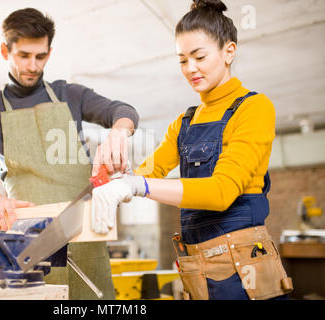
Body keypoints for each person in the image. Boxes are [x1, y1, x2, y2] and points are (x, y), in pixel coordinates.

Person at [91, 0, 293, 300]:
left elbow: (221, 192)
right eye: (182, 60)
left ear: (229, 52)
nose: (191, 69)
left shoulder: (254, 108)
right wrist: (115, 175)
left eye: (199, 56)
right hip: (198, 272)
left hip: (245, 273)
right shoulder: (184, 122)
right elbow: (148, 171)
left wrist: (139, 185)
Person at [0, 8, 139, 300]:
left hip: (89, 242)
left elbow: (122, 110)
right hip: (31, 251)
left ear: (49, 51)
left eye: (41, 56)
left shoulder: (70, 95)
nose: (33, 66)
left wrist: (120, 132)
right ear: (4, 50)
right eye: (23, 55)